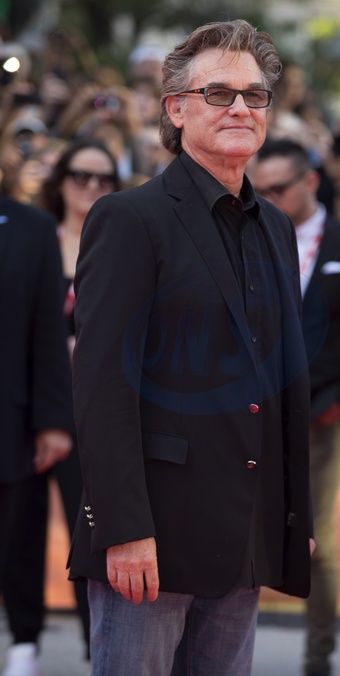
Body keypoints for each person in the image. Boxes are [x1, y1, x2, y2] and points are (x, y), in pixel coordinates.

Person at [67, 19, 313, 676]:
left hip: (245, 537)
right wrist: (122, 528)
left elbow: (284, 381)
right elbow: (101, 386)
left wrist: (294, 518)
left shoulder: (277, 228)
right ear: (176, 109)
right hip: (152, 538)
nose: (240, 108)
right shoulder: (129, 218)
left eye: (254, 95)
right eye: (219, 94)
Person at [251, 138, 340, 676]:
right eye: (260, 190)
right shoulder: (246, 236)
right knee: (233, 529)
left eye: (278, 189)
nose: (268, 198)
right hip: (248, 414)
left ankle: (318, 662)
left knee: (320, 543)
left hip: (317, 417)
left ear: (310, 182)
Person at [2, 139, 121, 674]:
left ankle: (97, 647)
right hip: (32, 405)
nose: (91, 186)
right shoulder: (31, 234)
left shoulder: (123, 241)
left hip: (97, 411)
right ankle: (24, 640)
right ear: (61, 181)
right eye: (81, 175)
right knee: (21, 527)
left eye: (104, 178)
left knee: (90, 529)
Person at [0, 192, 73, 675]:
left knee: (16, 538)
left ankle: (23, 643)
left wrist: (53, 420)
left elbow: (48, 329)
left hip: (8, 420)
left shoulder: (32, 227)